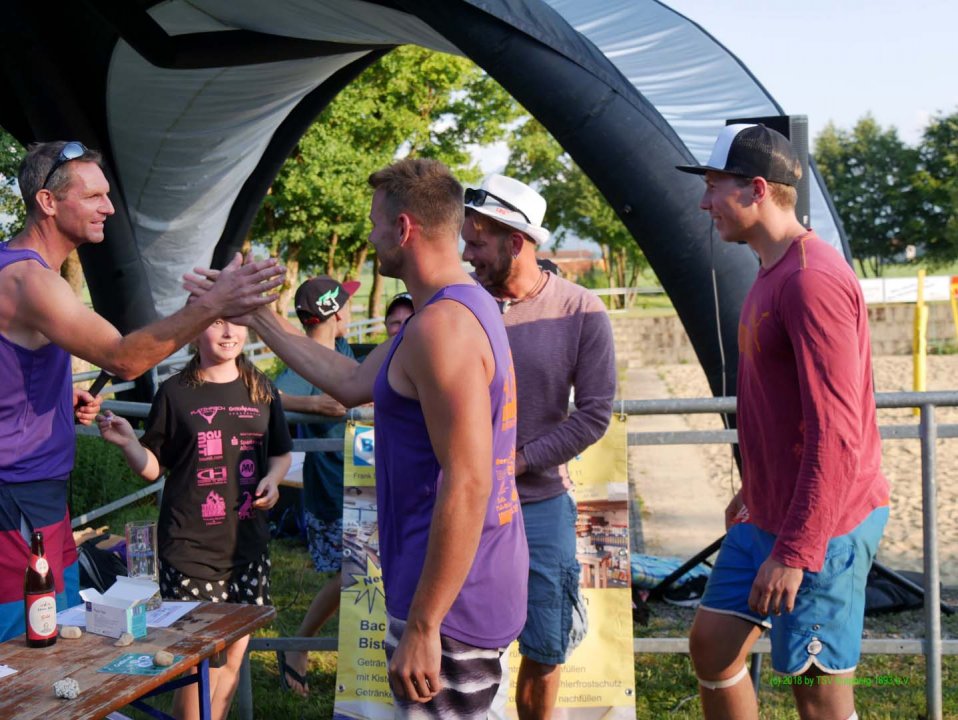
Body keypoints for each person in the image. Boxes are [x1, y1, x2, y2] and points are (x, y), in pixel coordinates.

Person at [186, 157, 528, 717]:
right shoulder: (445, 310)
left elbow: (468, 483)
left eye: (374, 224)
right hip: (451, 588)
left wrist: (424, 624)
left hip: (451, 605)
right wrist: (260, 316)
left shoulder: (442, 328)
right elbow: (348, 383)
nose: (369, 238)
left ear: (404, 229)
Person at [0, 141, 283, 642]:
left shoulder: (25, 272)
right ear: (47, 202)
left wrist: (55, 399)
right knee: (24, 656)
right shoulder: (30, 280)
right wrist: (214, 301)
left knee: (56, 642)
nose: (109, 207)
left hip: (39, 496)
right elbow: (123, 358)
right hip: (16, 498)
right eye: (94, 196)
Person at [676, 124, 890, 720]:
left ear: (758, 190)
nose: (703, 202)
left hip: (825, 525)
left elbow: (837, 432)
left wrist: (797, 550)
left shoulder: (810, 280)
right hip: (770, 512)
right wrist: (753, 488)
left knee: (817, 699)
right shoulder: (771, 269)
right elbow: (780, 409)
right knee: (713, 648)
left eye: (715, 186)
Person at [461, 174, 616, 720]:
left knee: (545, 649)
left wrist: (520, 462)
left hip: (543, 506)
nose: (466, 254)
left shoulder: (580, 310)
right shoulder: (458, 307)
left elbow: (595, 413)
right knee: (464, 647)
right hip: (464, 505)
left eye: (477, 243)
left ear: (516, 241)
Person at [98, 318, 292, 720]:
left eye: (237, 322)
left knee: (233, 662)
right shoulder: (174, 392)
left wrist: (273, 480)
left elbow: (279, 452)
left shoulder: (263, 390)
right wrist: (129, 442)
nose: (228, 332)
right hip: (188, 550)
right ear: (196, 329)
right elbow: (154, 468)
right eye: (217, 322)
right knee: (195, 667)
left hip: (248, 549)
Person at [273, 275, 359, 696]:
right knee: (349, 575)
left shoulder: (337, 349)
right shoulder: (303, 364)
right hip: (331, 488)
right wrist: (312, 404)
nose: (353, 312)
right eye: (348, 305)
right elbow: (265, 394)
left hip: (362, 480)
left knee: (362, 573)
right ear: (337, 313)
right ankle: (299, 645)